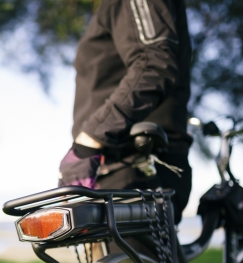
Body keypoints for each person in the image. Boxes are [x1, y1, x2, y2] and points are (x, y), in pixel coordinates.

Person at [58, 0, 192, 225]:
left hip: (134, 167)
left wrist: (90, 139)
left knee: (137, 261)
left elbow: (155, 63)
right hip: (111, 169)